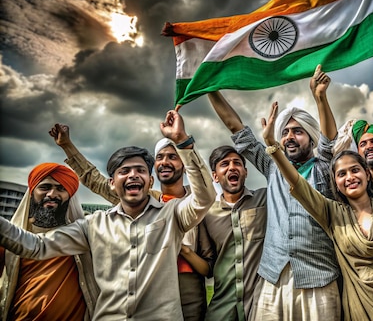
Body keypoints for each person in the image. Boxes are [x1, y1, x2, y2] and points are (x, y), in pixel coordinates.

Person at [0, 110, 217, 319]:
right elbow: (37, 246)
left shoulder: (174, 215)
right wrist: (68, 146)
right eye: (124, 171)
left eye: (141, 170)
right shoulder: (93, 225)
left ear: (150, 181)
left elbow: (205, 197)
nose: (133, 175)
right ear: (112, 184)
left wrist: (183, 141)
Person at [260, 60, 373, 320]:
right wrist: (272, 146)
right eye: (341, 173)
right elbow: (298, 185)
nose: (349, 177)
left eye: (355, 170)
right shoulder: (333, 214)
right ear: (334, 182)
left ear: (367, 173)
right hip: (361, 310)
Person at [207, 65, 341, 321]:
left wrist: (320, 98)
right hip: (273, 277)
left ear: (311, 139)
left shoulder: (324, 167)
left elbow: (330, 142)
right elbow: (237, 129)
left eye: (298, 131)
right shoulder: (273, 166)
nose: (290, 137)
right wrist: (209, 87)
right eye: (285, 132)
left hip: (319, 278)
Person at [0, 163, 98, 321]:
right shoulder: (9, 240)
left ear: (70, 196)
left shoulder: (85, 236)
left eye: (61, 189)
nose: (52, 194)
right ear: (32, 192)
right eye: (45, 187)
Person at [203, 145, 267, 320]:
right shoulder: (207, 214)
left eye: (237, 163)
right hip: (221, 309)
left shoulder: (265, 199)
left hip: (260, 307)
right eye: (225, 163)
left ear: (245, 172)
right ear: (215, 176)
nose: (232, 167)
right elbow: (208, 264)